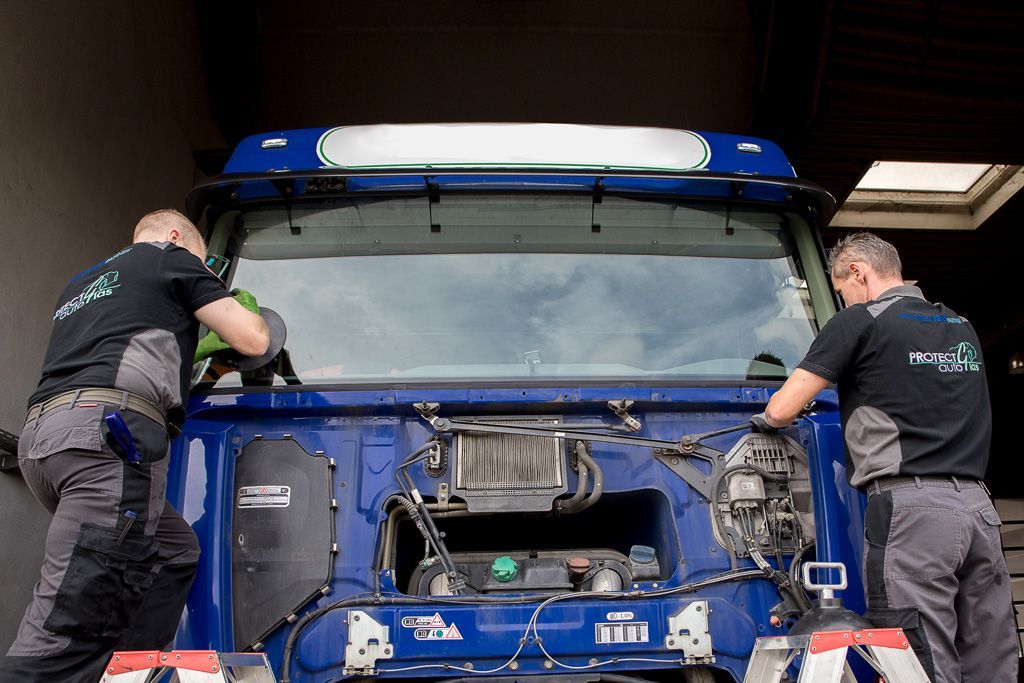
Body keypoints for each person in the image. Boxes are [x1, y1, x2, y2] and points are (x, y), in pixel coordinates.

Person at [0, 209, 270, 683]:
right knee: (69, 623)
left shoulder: (83, 284)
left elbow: (127, 344)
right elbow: (252, 337)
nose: (203, 269)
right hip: (106, 444)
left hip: (44, 442)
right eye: (203, 259)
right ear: (173, 237)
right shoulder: (169, 259)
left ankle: (126, 669)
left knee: (174, 551)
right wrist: (221, 294)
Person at [752, 232, 1017, 682]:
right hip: (978, 509)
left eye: (841, 290)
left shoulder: (860, 322)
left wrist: (766, 422)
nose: (844, 300)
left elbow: (782, 408)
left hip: (913, 513)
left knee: (919, 655)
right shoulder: (960, 326)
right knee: (991, 650)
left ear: (858, 272)